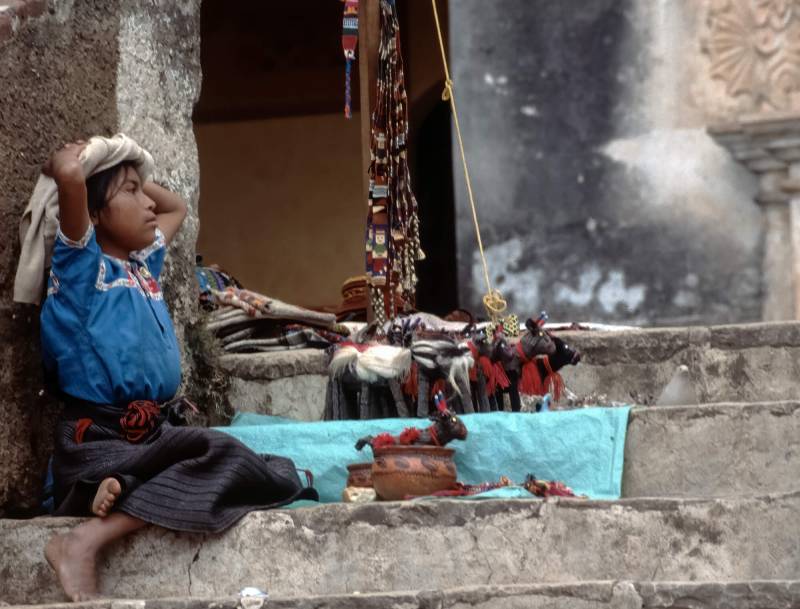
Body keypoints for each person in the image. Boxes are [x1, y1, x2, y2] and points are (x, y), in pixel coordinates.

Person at [39, 140, 317, 602]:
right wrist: (93, 158)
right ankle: (86, 536)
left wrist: (129, 169)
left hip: (149, 444)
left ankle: (121, 492)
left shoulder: (143, 266)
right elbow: (69, 175)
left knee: (266, 468)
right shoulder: (81, 270)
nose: (150, 201)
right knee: (219, 452)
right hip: (97, 445)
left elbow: (177, 207)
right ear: (96, 214)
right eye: (131, 192)